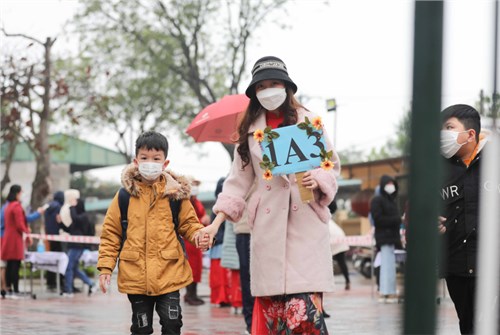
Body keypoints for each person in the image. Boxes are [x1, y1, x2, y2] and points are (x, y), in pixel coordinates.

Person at [200, 56, 340, 334]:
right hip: (268, 229)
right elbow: (237, 183)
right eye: (262, 86)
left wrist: (319, 178)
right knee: (275, 320)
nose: (269, 91)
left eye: (274, 83)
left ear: (287, 87)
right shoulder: (250, 133)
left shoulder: (309, 122)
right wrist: (215, 223)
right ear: (254, 93)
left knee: (304, 318)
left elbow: (332, 166)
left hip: (306, 227)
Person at [97, 131, 209, 335]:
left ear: (165, 163)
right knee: (141, 329)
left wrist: (199, 235)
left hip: (170, 272)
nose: (150, 163)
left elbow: (190, 224)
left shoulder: (176, 195)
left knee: (172, 325)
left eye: (156, 159)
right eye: (144, 158)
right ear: (136, 161)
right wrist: (105, 268)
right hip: (136, 275)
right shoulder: (124, 196)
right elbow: (111, 234)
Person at [438, 104, 488, 334]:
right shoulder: (438, 170)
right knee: (468, 327)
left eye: (449, 127)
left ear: (470, 134)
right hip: (456, 266)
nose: (442, 134)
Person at [370, 175, 401, 304]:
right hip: (384, 238)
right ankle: (386, 292)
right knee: (386, 266)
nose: (390, 185)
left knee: (389, 266)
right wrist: (397, 220)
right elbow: (377, 219)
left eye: (391, 183)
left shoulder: (392, 200)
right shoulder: (377, 200)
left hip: (392, 238)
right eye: (388, 183)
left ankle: (389, 291)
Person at [0, 185, 33, 296]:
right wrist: (28, 234)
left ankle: (8, 288)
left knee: (9, 265)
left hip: (7, 238)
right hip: (15, 238)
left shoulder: (7, 206)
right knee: (15, 265)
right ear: (18, 193)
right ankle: (15, 289)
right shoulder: (16, 206)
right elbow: (20, 224)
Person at [60, 197, 95, 297]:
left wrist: (71, 207)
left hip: (78, 246)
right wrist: (60, 223)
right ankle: (91, 283)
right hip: (74, 245)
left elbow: (75, 218)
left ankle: (68, 290)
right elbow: (69, 229)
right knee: (74, 269)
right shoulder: (78, 219)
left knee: (68, 267)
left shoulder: (83, 217)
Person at [184, 177, 210, 306]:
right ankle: (189, 294)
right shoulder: (185, 201)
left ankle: (194, 294)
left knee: (197, 268)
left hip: (197, 240)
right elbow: (187, 221)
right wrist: (202, 221)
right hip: (189, 240)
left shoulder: (197, 201)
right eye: (192, 184)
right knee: (190, 268)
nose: (195, 187)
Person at [209, 177, 231, 308]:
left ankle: (223, 297)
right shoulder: (216, 208)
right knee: (220, 276)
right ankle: (221, 298)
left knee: (221, 276)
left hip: (222, 245)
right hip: (220, 245)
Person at [43, 190, 65, 291]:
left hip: (48, 236)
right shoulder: (59, 207)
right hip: (57, 237)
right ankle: (61, 282)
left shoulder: (48, 206)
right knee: (60, 259)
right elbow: (59, 220)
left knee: (50, 259)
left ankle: (50, 282)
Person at [328, 201, 351, 291]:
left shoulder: (325, 220)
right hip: (339, 239)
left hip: (335, 241)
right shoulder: (331, 221)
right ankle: (347, 281)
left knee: (328, 264)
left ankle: (328, 284)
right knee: (342, 262)